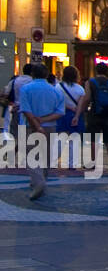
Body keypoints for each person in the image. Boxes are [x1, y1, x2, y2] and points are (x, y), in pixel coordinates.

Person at [17, 65, 62, 200]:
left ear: (32, 74)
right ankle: (41, 178)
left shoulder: (26, 89)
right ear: (47, 74)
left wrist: (37, 125)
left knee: (32, 156)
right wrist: (44, 120)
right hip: (50, 126)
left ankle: (38, 181)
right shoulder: (55, 90)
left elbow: (26, 110)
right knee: (46, 155)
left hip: (30, 126)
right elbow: (60, 112)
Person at [75, 63, 108, 172]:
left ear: (96, 70)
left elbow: (87, 98)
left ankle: (93, 162)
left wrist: (81, 111)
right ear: (107, 71)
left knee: (93, 138)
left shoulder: (90, 82)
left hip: (95, 113)